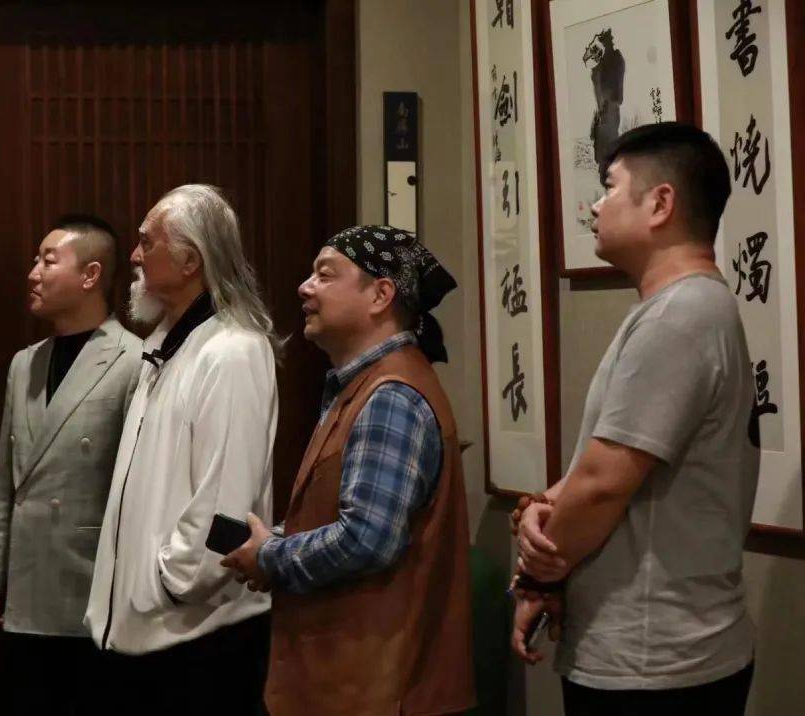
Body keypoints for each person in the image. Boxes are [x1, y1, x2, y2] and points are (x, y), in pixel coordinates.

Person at [511, 122, 760, 715]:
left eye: (610, 187)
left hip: (655, 660)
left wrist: (541, 574)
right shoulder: (681, 308)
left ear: (660, 203)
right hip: (663, 650)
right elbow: (602, 469)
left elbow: (603, 484)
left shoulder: (680, 315)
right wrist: (543, 505)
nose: (595, 206)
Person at [223, 225, 476, 716]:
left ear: (381, 294)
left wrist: (271, 555)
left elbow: (367, 538)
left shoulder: (391, 395)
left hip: (377, 691)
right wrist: (274, 540)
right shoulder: (366, 385)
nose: (305, 288)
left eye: (325, 275)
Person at [84, 184, 281, 714]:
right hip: (148, 633)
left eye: (147, 242)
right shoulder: (168, 345)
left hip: (195, 639)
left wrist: (171, 586)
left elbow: (226, 502)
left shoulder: (233, 350)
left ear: (191, 260)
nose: (134, 255)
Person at [0, 215, 142, 715]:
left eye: (48, 261)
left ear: (90, 275)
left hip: (89, 581)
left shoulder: (134, 360)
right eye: (35, 261)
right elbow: (7, 480)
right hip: (26, 580)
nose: (33, 273)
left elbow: (135, 487)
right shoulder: (25, 362)